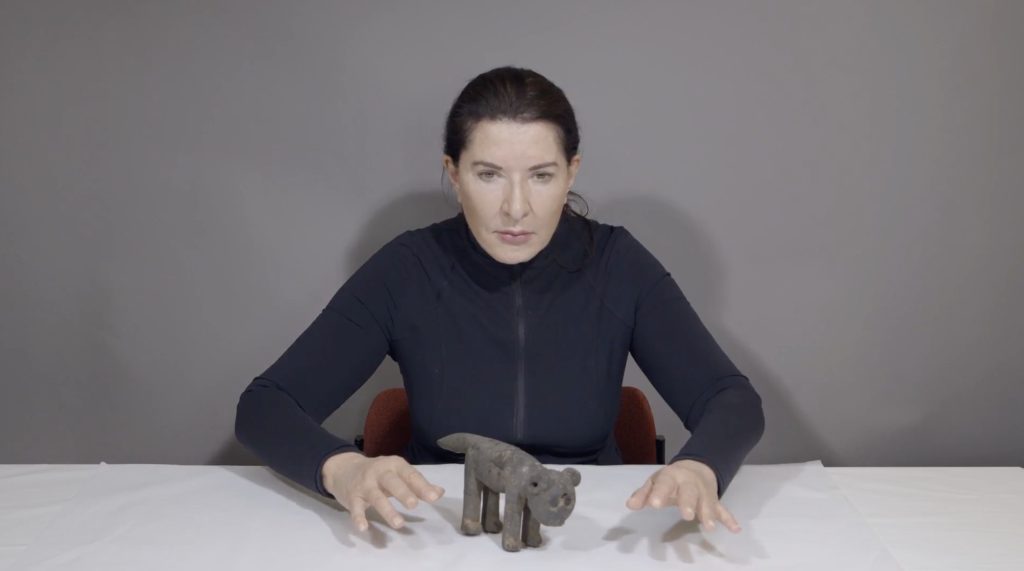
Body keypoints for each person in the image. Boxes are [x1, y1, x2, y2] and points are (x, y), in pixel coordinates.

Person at [235, 66, 765, 536]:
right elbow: (264, 405)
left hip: (591, 527)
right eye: (489, 175)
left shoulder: (618, 264)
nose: (516, 208)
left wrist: (700, 466)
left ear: (571, 172)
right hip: (438, 525)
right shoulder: (407, 268)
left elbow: (730, 398)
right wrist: (342, 467)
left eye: (541, 176)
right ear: (454, 173)